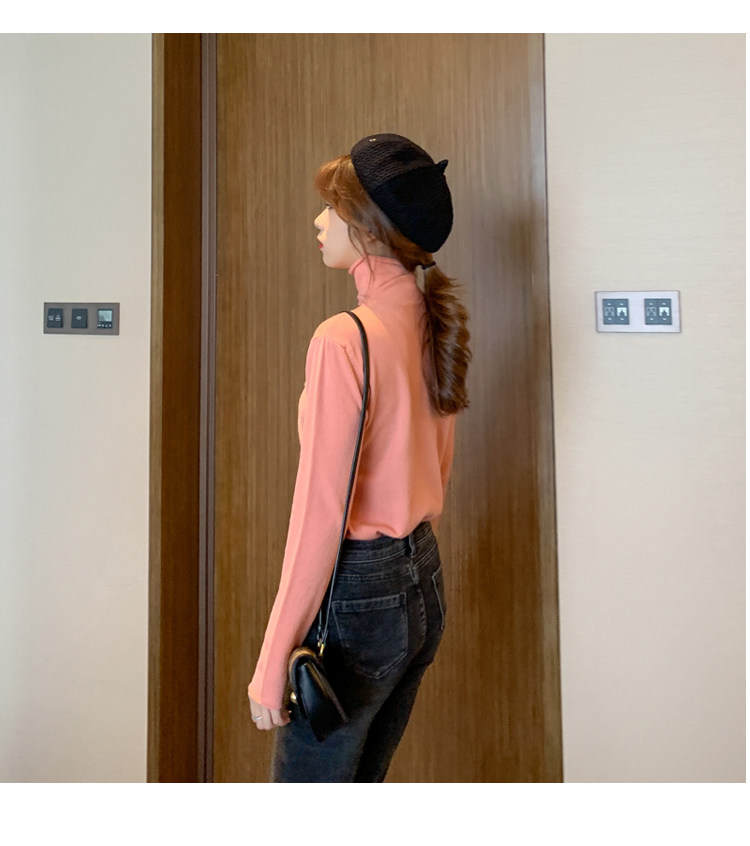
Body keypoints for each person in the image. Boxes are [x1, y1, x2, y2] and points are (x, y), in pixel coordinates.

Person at [247, 132, 471, 782]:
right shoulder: (433, 322)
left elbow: (320, 512)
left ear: (370, 229)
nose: (318, 222)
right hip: (421, 585)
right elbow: (439, 467)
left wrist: (274, 656)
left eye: (333, 208)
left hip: (362, 598)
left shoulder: (343, 339)